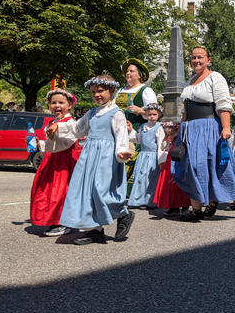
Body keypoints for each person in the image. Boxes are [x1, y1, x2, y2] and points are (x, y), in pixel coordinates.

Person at [47, 75, 135, 245]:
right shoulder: (92, 113)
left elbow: (121, 135)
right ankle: (95, 231)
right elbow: (78, 129)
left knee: (101, 191)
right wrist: (59, 125)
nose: (97, 95)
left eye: (100, 91)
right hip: (89, 157)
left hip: (106, 158)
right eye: (94, 92)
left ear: (112, 90)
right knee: (87, 192)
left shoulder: (116, 114)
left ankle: (123, 213)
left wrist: (122, 152)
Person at [171, 46, 235, 221]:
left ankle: (212, 200)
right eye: (194, 57)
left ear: (208, 60)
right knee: (188, 166)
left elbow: (223, 104)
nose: (196, 60)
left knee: (203, 164)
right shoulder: (190, 81)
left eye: (200, 57)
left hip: (208, 126)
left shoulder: (215, 77)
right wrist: (179, 130)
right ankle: (196, 208)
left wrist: (226, 128)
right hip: (189, 128)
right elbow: (185, 110)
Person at [30, 89, 79, 237]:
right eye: (54, 103)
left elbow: (68, 141)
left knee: (60, 190)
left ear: (70, 105)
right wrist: (41, 144)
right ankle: (52, 219)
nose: (57, 105)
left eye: (61, 102)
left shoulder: (70, 122)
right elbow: (51, 145)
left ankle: (62, 222)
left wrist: (54, 136)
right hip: (51, 160)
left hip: (63, 161)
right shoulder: (52, 122)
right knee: (46, 189)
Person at [115, 58, 158, 194]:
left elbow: (155, 112)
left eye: (132, 71)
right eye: (127, 71)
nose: (128, 73)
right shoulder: (121, 90)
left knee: (132, 156)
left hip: (137, 127)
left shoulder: (145, 90)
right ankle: (117, 187)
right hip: (119, 128)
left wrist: (140, 111)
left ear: (139, 75)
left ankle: (131, 190)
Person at [126, 104, 167, 210]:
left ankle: (149, 201)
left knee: (151, 178)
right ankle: (138, 199)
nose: (151, 117)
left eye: (154, 114)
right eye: (149, 115)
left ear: (159, 115)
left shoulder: (159, 128)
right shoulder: (143, 127)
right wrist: (131, 130)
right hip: (143, 156)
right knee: (140, 177)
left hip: (153, 157)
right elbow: (138, 140)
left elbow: (161, 144)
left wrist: (161, 160)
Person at [154, 121, 191, 216]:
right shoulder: (168, 140)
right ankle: (173, 206)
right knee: (170, 185)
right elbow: (163, 148)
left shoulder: (181, 138)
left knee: (180, 184)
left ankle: (184, 205)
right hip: (170, 161)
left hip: (179, 158)